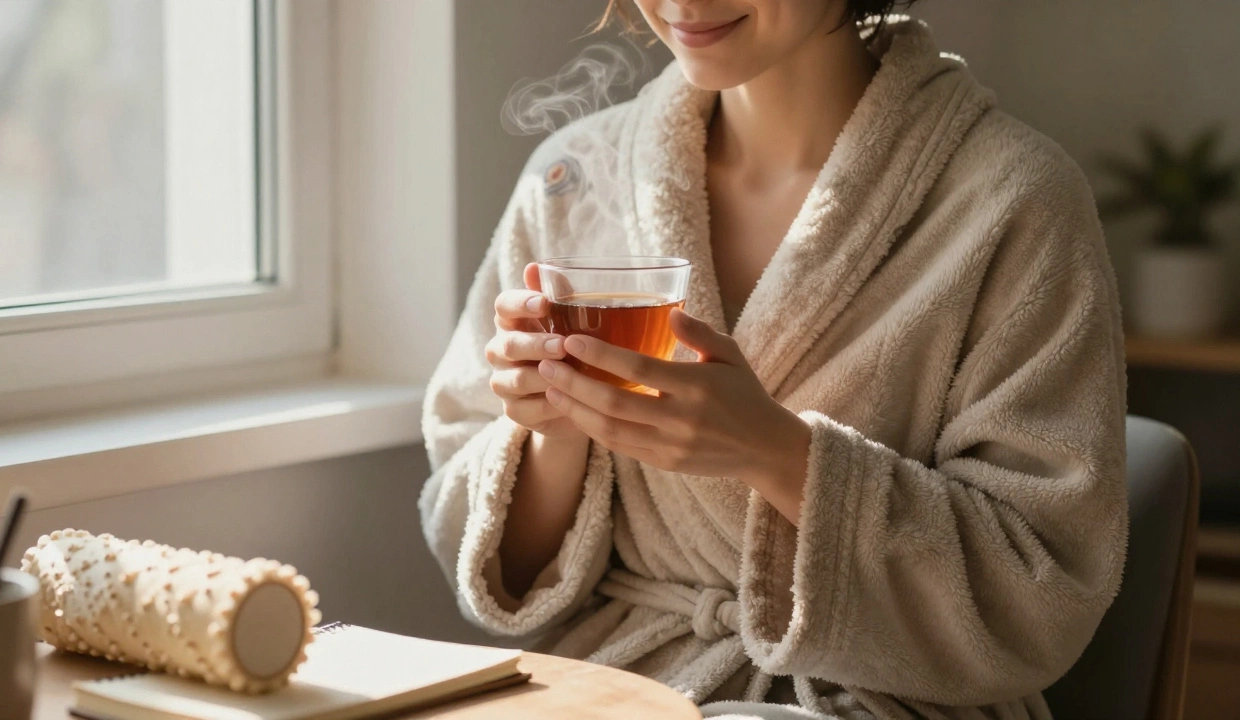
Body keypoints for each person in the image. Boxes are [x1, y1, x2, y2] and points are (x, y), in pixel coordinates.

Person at [420, 1, 1128, 718]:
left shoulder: (1013, 197)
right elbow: (486, 553)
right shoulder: (574, 179)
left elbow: (1039, 591)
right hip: (622, 685)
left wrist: (776, 452)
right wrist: (556, 426)